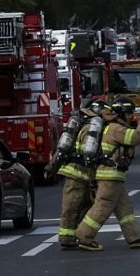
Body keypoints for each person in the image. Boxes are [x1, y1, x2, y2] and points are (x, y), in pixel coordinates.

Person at [75, 97, 140, 251]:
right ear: (121, 113)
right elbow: (136, 137)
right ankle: (84, 236)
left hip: (113, 175)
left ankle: (134, 238)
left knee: (125, 209)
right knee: (102, 206)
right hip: (110, 175)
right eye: (129, 114)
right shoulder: (116, 128)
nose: (131, 117)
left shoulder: (112, 126)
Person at [46, 100, 112, 249]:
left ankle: (75, 236)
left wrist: (51, 168)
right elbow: (88, 157)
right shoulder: (91, 130)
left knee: (78, 207)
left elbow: (61, 150)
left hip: (76, 174)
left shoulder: (80, 126)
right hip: (79, 175)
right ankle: (67, 239)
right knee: (72, 208)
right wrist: (94, 180)